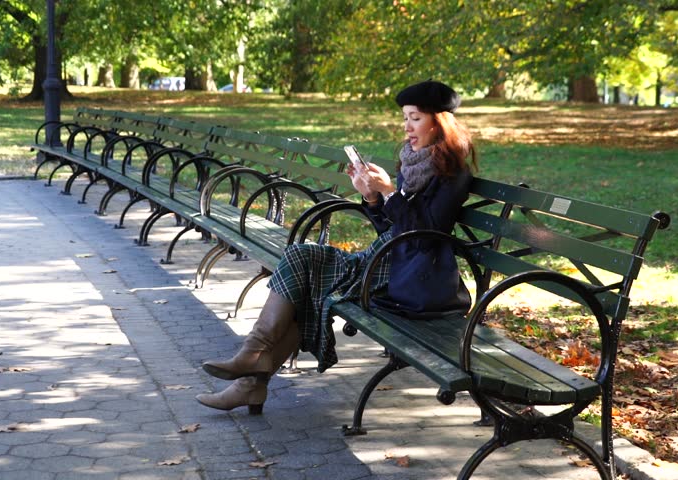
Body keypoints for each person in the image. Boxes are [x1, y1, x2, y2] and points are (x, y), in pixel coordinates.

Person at [196, 80, 478, 413]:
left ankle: (250, 378)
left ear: (438, 121)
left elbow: (425, 232)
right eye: (405, 118)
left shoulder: (453, 174)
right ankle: (252, 361)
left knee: (309, 284)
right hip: (388, 259)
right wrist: (371, 196)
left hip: (411, 274)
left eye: (414, 118)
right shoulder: (413, 163)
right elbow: (391, 225)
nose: (406, 127)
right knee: (302, 257)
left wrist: (388, 193)